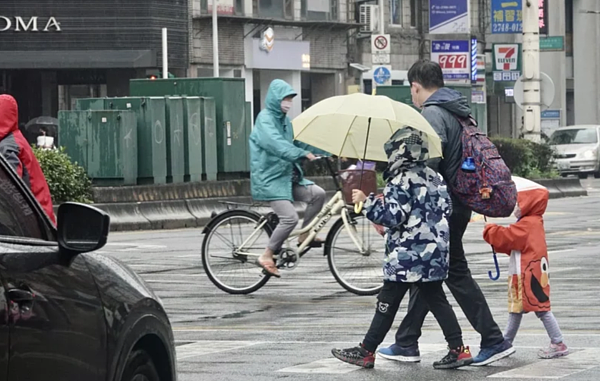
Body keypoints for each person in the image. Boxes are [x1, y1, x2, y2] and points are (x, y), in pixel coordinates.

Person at [377, 60, 515, 366]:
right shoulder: (457, 109)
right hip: (456, 203)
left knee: (451, 271)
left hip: (442, 208)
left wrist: (402, 203)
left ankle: (492, 339)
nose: (412, 95)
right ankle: (406, 341)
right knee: (428, 271)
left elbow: (428, 165)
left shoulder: (433, 113)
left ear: (416, 86)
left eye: (411, 90)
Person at [331, 127, 473, 370]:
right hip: (435, 253)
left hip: (407, 256)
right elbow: (445, 208)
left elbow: (392, 215)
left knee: (387, 301)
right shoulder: (435, 177)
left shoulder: (401, 180)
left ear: (399, 152)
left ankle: (366, 351)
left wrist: (366, 203)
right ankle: (458, 349)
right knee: (437, 299)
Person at [249, 79, 327, 278]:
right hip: (270, 179)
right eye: (285, 98)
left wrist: (326, 151)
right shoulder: (264, 119)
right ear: (276, 99)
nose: (288, 103)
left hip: (287, 178)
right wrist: (300, 154)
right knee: (289, 217)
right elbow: (275, 144)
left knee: (318, 194)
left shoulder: (286, 122)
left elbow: (299, 142)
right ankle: (267, 255)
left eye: (291, 99)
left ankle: (304, 235)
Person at [483, 186, 569, 359]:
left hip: (527, 276)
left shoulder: (527, 224)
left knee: (541, 309)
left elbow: (508, 236)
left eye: (518, 202)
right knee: (517, 309)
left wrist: (490, 230)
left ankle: (558, 342)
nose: (516, 206)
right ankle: (506, 342)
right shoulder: (533, 222)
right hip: (526, 273)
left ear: (528, 203)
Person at [0, 94, 56, 224]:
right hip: (38, 216)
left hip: (33, 222)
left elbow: (9, 190)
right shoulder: (15, 139)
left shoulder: (8, 147)